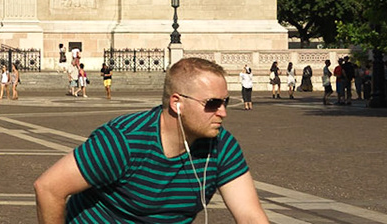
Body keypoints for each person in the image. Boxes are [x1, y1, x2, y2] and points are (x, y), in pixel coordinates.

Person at [32, 57, 273, 224]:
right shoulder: (123, 141)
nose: (223, 112)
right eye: (212, 103)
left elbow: (250, 216)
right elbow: (48, 188)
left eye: (225, 102)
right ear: (177, 103)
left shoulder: (221, 146)